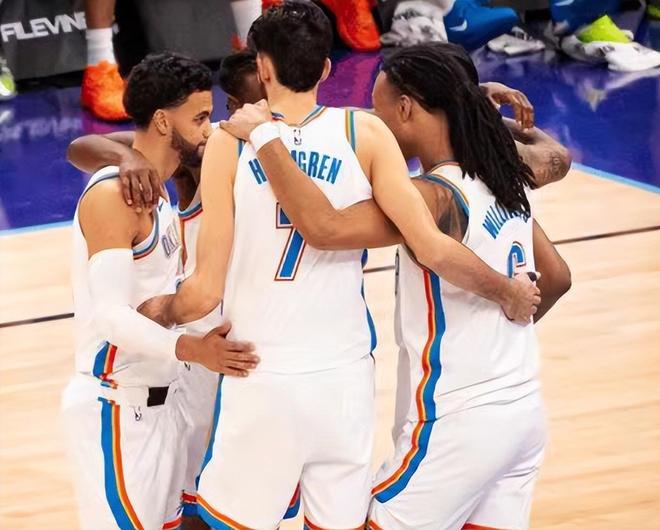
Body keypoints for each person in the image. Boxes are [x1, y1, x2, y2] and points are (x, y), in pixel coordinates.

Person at [136, 2, 540, 528]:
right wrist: (507, 290)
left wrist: (157, 312)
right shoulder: (365, 133)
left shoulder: (229, 145)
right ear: (327, 67)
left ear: (262, 68)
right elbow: (431, 244)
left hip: (262, 375)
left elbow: (205, 293)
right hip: (345, 380)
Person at [222, 41, 570, 530]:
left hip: (457, 422)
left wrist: (264, 137)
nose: (373, 122)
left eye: (379, 108)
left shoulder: (429, 199)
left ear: (405, 108)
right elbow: (558, 275)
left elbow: (325, 227)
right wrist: (471, 103)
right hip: (523, 412)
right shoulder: (509, 177)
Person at [61, 52, 259, 530]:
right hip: (115, 407)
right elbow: (111, 317)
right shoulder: (116, 196)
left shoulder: (160, 179)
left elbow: (91, 147)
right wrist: (194, 348)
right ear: (163, 122)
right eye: (201, 118)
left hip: (160, 406)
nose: (209, 130)